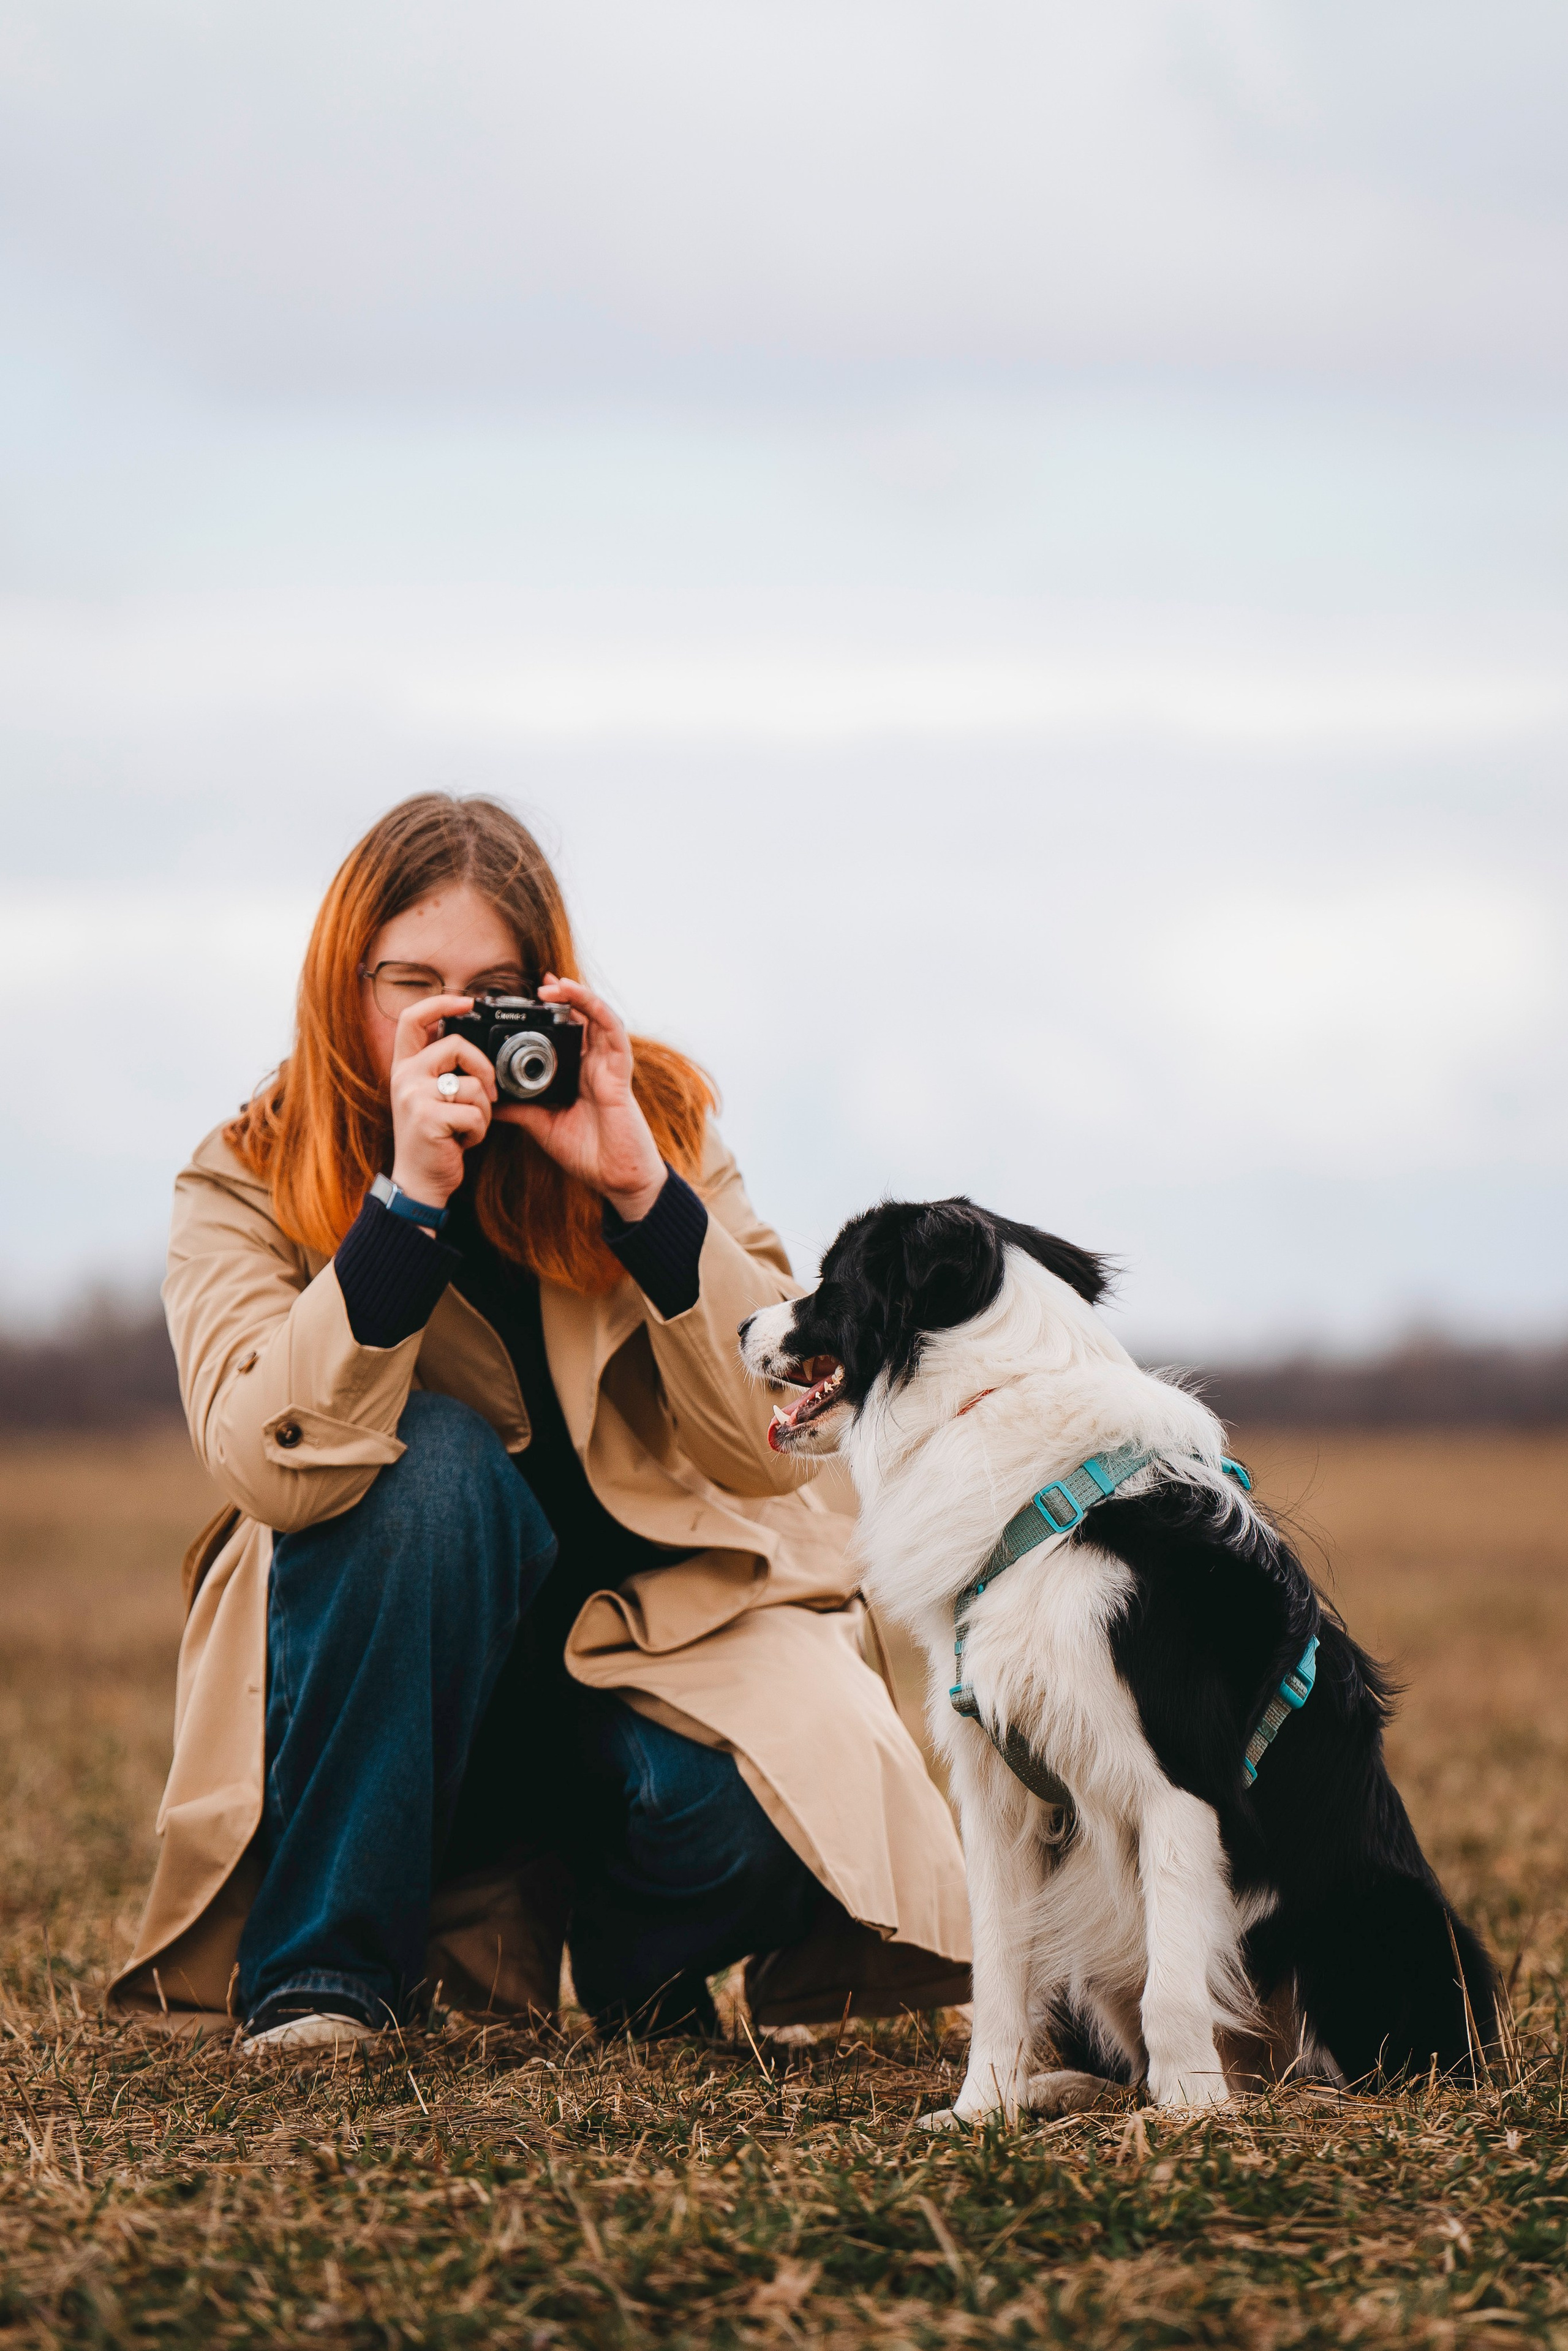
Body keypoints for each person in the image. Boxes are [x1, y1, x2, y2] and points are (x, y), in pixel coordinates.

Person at [112, 793, 970, 2050]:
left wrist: (642, 1193)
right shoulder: (253, 1166)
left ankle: (640, 1967)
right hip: (388, 1696)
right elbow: (266, 1462)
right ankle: (325, 1977)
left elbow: (785, 1436)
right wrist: (403, 1210)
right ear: (344, 984)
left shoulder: (650, 1122)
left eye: (494, 992)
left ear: (550, 993)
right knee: (435, 1464)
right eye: (413, 985)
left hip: (644, 1664)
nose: (456, 1025)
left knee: (771, 1803)